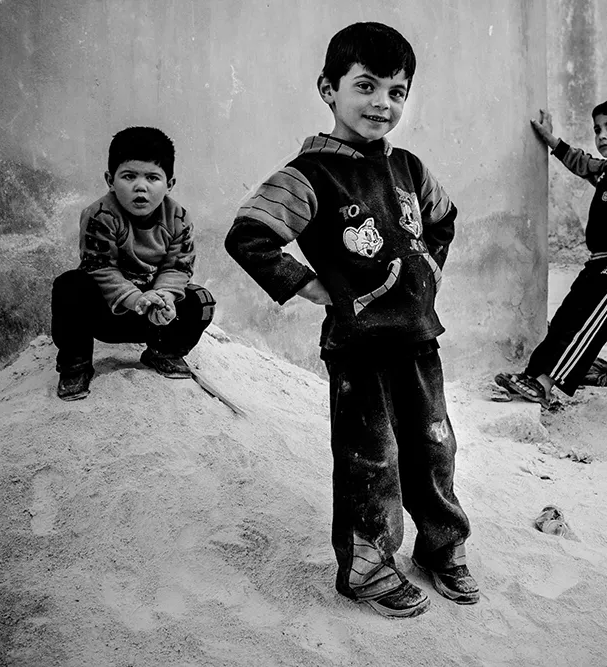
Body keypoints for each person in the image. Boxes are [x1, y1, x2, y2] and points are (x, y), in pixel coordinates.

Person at [224, 22, 476, 618]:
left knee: (434, 448)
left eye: (396, 91)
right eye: (365, 86)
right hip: (358, 347)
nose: (381, 103)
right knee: (372, 458)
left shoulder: (409, 167)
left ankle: (442, 546)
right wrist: (310, 286)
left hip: (419, 340)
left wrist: (428, 271)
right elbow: (248, 235)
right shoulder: (308, 174)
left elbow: (443, 218)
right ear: (328, 89)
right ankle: (367, 567)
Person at [495, 100, 607, 408]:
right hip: (599, 261)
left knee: (587, 326)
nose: (602, 135)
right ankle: (532, 376)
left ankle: (545, 384)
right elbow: (581, 163)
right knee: (566, 318)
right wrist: (551, 140)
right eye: (597, 129)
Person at [51, 126, 215, 401]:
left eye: (152, 177)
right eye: (129, 176)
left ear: (170, 184)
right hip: (110, 312)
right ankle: (75, 365)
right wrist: (136, 299)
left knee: (202, 301)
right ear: (110, 180)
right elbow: (100, 268)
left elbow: (178, 267)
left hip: (154, 317)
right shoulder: (100, 215)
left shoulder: (178, 218)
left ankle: (163, 352)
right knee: (69, 285)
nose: (141, 186)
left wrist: (164, 297)